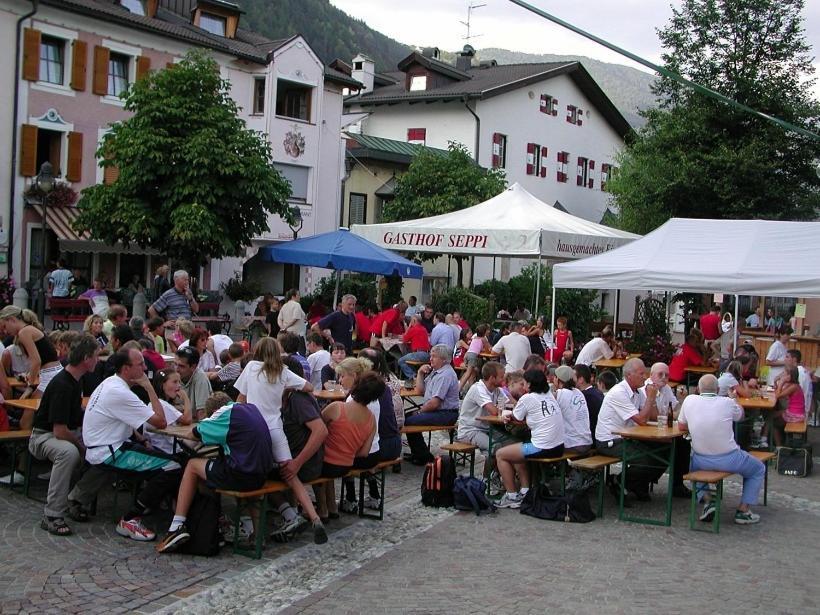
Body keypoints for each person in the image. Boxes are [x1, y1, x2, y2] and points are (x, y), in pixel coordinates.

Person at [233, 336, 326, 542]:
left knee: (251, 471)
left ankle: (252, 527)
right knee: (291, 475)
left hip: (254, 427)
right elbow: (309, 387)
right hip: (276, 428)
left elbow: (240, 400)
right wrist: (287, 387)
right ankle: (314, 517)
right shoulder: (283, 371)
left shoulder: (251, 368)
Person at [156, 398, 276, 553]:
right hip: (261, 476)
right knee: (215, 468)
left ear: (212, 412)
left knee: (193, 465)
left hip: (241, 476)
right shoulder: (250, 408)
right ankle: (257, 536)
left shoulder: (223, 414)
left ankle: (177, 525)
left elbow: (194, 434)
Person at [64, 349, 169, 523]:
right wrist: (149, 386)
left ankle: (78, 498)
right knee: (172, 465)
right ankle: (137, 511)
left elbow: (124, 418)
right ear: (126, 369)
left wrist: (140, 437)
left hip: (98, 446)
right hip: (110, 450)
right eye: (140, 364)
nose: (145, 367)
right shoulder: (120, 392)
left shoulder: (110, 382)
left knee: (155, 454)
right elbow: (161, 422)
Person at [28, 334, 99, 535]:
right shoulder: (63, 384)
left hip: (62, 432)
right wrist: (82, 447)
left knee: (106, 450)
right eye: (95, 356)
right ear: (86, 359)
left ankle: (77, 499)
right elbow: (60, 431)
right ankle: (52, 514)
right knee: (69, 452)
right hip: (42, 436)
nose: (98, 359)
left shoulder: (76, 380)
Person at [678, 374, 765, 525]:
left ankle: (707, 501)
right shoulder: (727, 402)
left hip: (701, 459)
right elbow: (740, 416)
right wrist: (734, 399)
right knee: (758, 468)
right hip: (729, 458)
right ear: (718, 389)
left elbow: (681, 426)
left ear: (698, 389)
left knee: (693, 466)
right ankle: (743, 510)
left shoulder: (689, 400)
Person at [117, 367, 193, 541]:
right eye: (174, 382)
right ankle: (174, 510)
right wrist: (187, 399)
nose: (178, 387)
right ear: (162, 384)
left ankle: (174, 508)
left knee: (185, 462)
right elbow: (187, 419)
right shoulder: (161, 404)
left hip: (162, 449)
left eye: (180, 383)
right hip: (164, 452)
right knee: (183, 465)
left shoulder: (159, 404)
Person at [268, 357, 328, 541]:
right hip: (302, 462)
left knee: (255, 474)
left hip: (306, 465)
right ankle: (294, 512)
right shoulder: (290, 397)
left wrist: (297, 462)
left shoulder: (298, 399)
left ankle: (289, 515)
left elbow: (321, 431)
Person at [337, 355, 401, 512]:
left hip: (363, 454)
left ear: (353, 376)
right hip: (374, 451)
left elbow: (349, 437)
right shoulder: (372, 396)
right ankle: (374, 495)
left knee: (339, 457)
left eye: (342, 375)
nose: (340, 380)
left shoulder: (353, 400)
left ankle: (350, 499)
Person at [314, 372, 380, 522]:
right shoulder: (371, 419)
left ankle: (322, 508)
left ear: (356, 386)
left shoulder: (337, 407)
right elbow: (363, 452)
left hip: (326, 463)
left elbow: (317, 427)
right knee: (327, 471)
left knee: (313, 466)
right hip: (346, 465)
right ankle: (331, 507)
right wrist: (347, 452)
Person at [594, 358, 664, 502]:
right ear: (629, 375)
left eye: (645, 374)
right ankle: (619, 482)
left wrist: (654, 397)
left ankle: (637, 484)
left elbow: (653, 417)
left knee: (664, 450)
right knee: (646, 460)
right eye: (641, 374)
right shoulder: (619, 392)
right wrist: (650, 398)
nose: (644, 377)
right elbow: (642, 420)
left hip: (626, 436)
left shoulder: (637, 391)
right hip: (609, 440)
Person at [494, 369, 564, 509]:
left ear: (530, 384)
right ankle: (525, 491)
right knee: (518, 451)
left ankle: (511, 495)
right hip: (559, 447)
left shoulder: (528, 398)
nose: (523, 385)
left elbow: (516, 417)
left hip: (542, 447)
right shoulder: (549, 394)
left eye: (524, 383)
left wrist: (508, 415)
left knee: (500, 454)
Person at [402, 344, 460, 465]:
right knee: (405, 417)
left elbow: (434, 403)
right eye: (431, 356)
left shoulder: (445, 375)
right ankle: (419, 454)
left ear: (443, 359)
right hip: (438, 411)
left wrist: (419, 411)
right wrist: (420, 373)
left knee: (409, 420)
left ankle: (423, 456)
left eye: (434, 356)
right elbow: (420, 391)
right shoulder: (436, 372)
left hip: (446, 414)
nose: (430, 359)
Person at [0, 306, 61, 404]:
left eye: (4, 326)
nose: (5, 331)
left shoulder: (24, 332)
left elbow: (36, 361)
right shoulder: (29, 330)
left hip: (50, 375)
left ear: (11, 319)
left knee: (28, 413)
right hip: (52, 373)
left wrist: (30, 387)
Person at [456, 361, 506, 453]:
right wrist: (507, 410)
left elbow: (511, 403)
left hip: (487, 429)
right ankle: (489, 467)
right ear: (492, 378)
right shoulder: (478, 389)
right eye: (501, 377)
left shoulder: (497, 390)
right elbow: (494, 412)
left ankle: (498, 466)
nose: (504, 380)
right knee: (496, 447)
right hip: (470, 431)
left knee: (512, 444)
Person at [552, 365, 592, 454]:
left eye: (555, 377)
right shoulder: (578, 392)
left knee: (543, 447)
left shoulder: (560, 394)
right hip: (587, 442)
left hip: (573, 444)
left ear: (558, 379)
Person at [175, 346, 212, 420]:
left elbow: (202, 415)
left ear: (193, 367)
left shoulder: (200, 378)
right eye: (175, 364)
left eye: (181, 366)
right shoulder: (173, 376)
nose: (176, 369)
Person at [397, 314, 432, 383]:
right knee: (408, 359)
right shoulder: (424, 329)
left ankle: (414, 376)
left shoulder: (413, 329)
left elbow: (404, 339)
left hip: (419, 354)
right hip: (427, 354)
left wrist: (409, 326)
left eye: (411, 320)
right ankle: (417, 375)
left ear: (414, 320)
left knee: (401, 360)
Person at [574, 364, 604, 437]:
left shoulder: (584, 397)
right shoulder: (598, 392)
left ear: (581, 379)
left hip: (591, 437)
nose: (571, 379)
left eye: (573, 377)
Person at [460, 323, 491, 391]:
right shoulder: (483, 339)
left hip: (467, 355)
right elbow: (487, 350)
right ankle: (458, 389)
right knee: (468, 373)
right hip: (473, 356)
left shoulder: (474, 338)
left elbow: (475, 347)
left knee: (471, 373)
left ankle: (470, 389)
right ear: (485, 332)